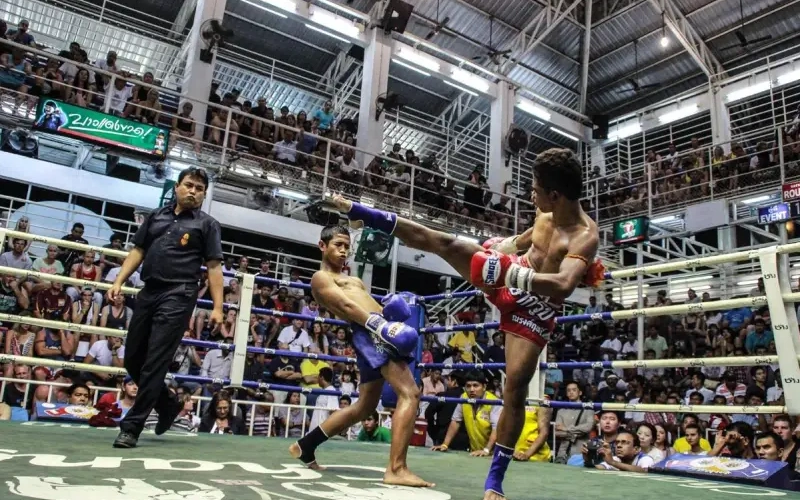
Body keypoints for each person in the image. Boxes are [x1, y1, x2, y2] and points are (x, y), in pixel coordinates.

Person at [324, 148, 601, 500]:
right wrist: (505, 248)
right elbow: (530, 239)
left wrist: (508, 272)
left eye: (535, 189)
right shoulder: (546, 213)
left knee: (515, 388)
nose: (531, 194)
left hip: (533, 308)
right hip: (509, 273)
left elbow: (563, 284)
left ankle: (495, 481)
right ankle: (357, 210)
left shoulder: (584, 236)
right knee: (444, 242)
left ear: (555, 195)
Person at [289, 224, 432, 488]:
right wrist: (379, 326)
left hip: (375, 331)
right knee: (410, 392)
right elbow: (345, 306)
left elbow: (368, 305)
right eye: (337, 245)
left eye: (346, 246)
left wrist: (390, 313)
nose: (344, 251)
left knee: (365, 406)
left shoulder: (354, 280)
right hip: (369, 334)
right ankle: (396, 469)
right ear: (323, 246)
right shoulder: (321, 278)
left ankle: (305, 446)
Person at [109, 167, 224, 448]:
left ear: (204, 194)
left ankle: (132, 426)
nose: (193, 191)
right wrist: (119, 281)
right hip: (149, 290)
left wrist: (218, 307)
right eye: (189, 185)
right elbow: (138, 250)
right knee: (134, 358)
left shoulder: (207, 225)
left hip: (180, 293)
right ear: (177, 186)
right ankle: (168, 403)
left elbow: (214, 266)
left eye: (199, 188)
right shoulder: (156, 216)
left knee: (156, 360)